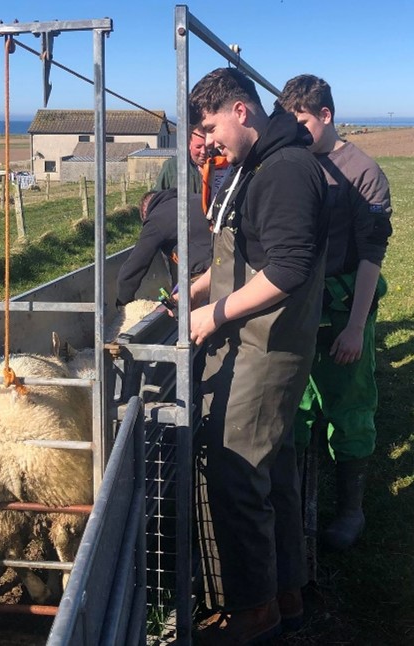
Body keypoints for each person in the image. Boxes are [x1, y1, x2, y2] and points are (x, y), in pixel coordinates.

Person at [185, 67, 329, 645]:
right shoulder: (256, 165)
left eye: (212, 126)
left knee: (236, 473)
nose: (209, 140)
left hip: (267, 348)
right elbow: (243, 254)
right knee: (271, 474)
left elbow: (288, 268)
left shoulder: (286, 170)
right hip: (252, 338)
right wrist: (190, 293)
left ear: (241, 111)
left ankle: (254, 614)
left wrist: (211, 316)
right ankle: (287, 596)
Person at [277, 75, 393, 550]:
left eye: (302, 122)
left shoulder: (364, 173)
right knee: (298, 406)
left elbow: (371, 255)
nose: (297, 133)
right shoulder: (294, 164)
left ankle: (351, 510)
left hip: (345, 306)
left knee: (349, 404)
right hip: (300, 309)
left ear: (325, 115)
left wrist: (355, 326)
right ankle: (299, 500)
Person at [116, 188, 212, 306]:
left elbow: (136, 264)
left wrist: (123, 302)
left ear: (145, 213)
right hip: (229, 258)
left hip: (209, 272)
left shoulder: (156, 219)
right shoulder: (193, 198)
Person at [153, 125, 209, 192]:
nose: (203, 151)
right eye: (198, 147)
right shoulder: (172, 167)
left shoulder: (221, 166)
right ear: (189, 145)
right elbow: (157, 197)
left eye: (208, 147)